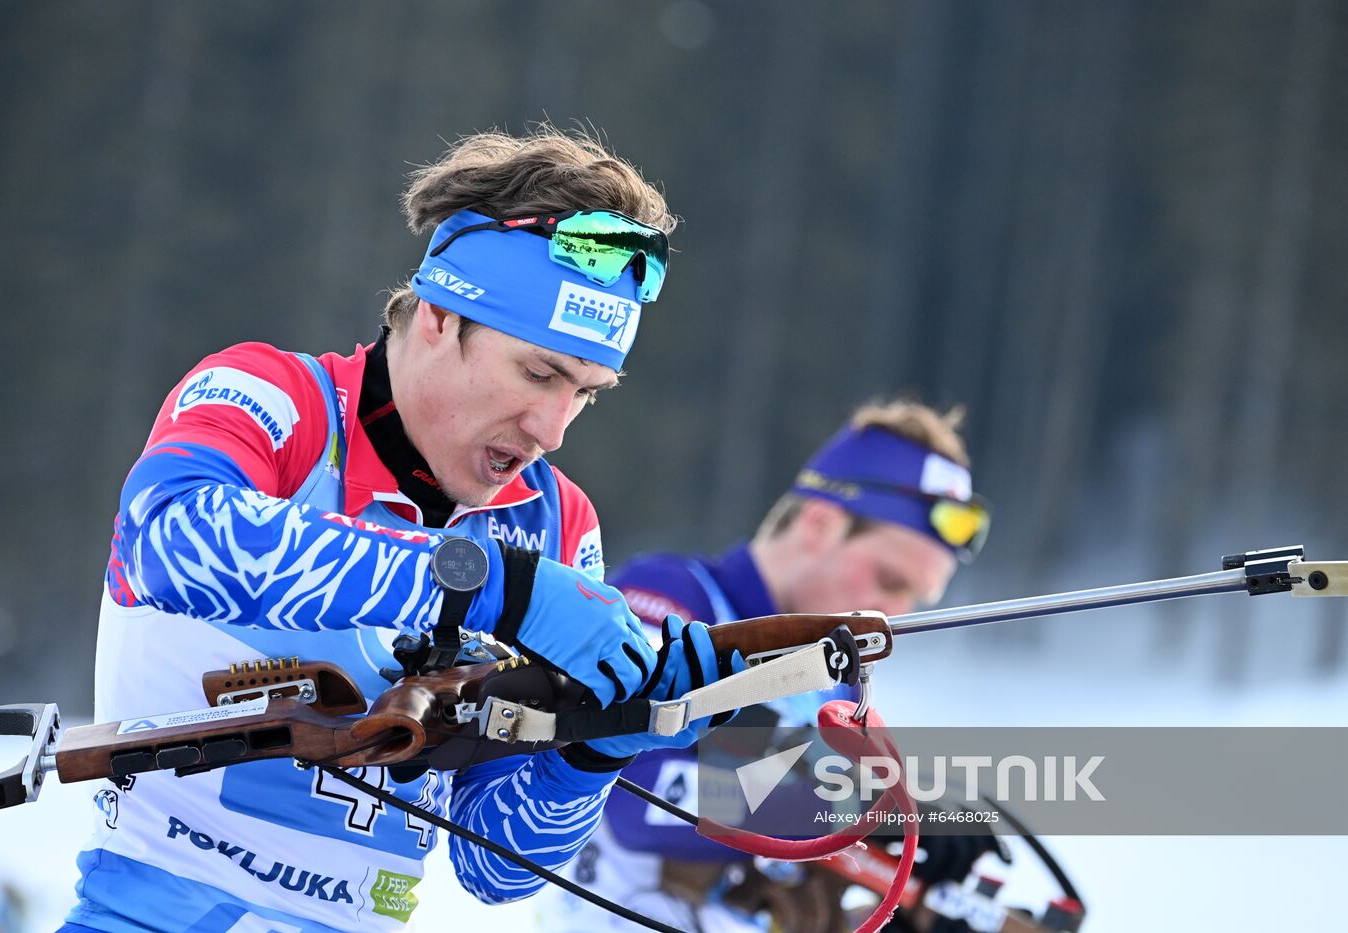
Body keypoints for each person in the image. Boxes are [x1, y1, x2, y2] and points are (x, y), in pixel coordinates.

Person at [59, 127, 739, 933]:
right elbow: (172, 541)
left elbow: (494, 865)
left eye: (587, 392)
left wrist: (599, 743)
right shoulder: (276, 399)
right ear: (441, 316)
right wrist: (486, 586)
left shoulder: (557, 523)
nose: (554, 429)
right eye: (538, 372)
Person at [544, 400, 995, 933]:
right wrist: (859, 805)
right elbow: (634, 791)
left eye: (915, 598)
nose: (894, 615)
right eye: (890, 581)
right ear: (820, 525)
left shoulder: (840, 683)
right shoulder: (671, 600)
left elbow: (789, 872)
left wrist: (897, 904)